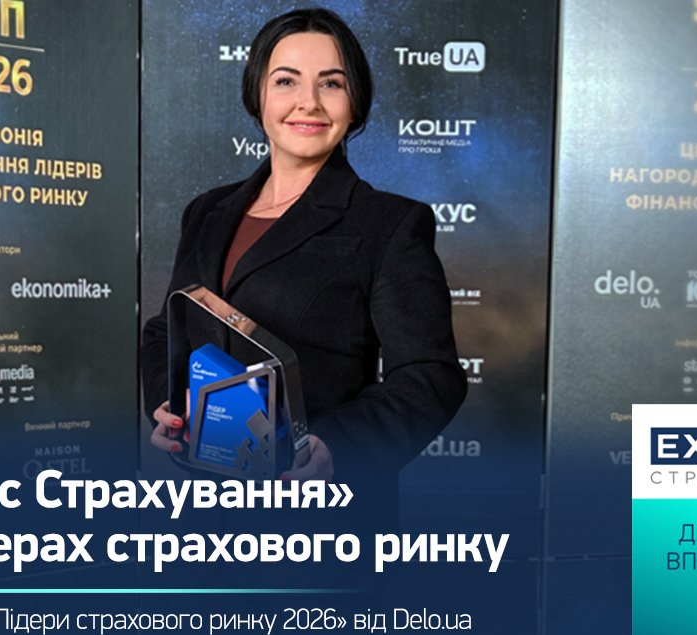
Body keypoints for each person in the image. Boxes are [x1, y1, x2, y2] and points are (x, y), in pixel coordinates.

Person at [142, 8, 465, 510]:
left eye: (331, 84)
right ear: (258, 95)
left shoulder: (391, 224)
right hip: (203, 511)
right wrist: (172, 402)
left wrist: (337, 446)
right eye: (286, 81)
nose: (308, 102)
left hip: (320, 519)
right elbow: (167, 331)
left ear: (354, 103)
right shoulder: (206, 212)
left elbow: (430, 376)